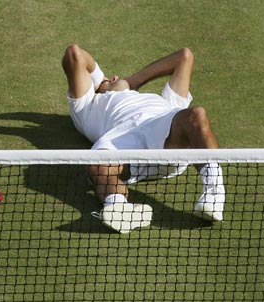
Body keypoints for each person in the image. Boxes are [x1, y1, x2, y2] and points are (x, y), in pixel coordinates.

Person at [62, 44, 225, 234]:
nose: (116, 77)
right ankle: (118, 207)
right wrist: (103, 82)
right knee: (97, 165)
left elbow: (184, 56)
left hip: (162, 134)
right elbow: (74, 54)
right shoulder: (87, 106)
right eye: (112, 77)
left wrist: (131, 82)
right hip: (121, 143)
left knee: (196, 115)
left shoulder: (163, 103)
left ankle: (214, 194)